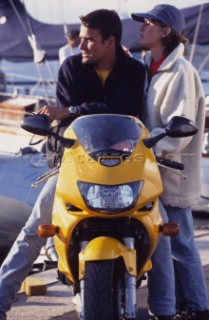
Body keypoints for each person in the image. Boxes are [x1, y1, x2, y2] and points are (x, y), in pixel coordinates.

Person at [0, 9, 145, 320]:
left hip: (123, 165)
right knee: (34, 229)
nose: (81, 46)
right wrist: (74, 112)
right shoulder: (71, 68)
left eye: (89, 40)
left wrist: (73, 109)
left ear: (110, 42)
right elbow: (73, 122)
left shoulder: (134, 70)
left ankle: (165, 304)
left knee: (154, 224)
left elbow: (126, 110)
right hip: (75, 162)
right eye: (81, 39)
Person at [131, 4, 209, 320]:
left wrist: (149, 152)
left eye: (148, 23)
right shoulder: (148, 66)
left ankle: (198, 308)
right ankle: (178, 305)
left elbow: (180, 128)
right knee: (162, 245)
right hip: (150, 171)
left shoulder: (181, 72)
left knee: (181, 245)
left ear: (166, 31)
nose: (141, 28)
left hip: (170, 172)